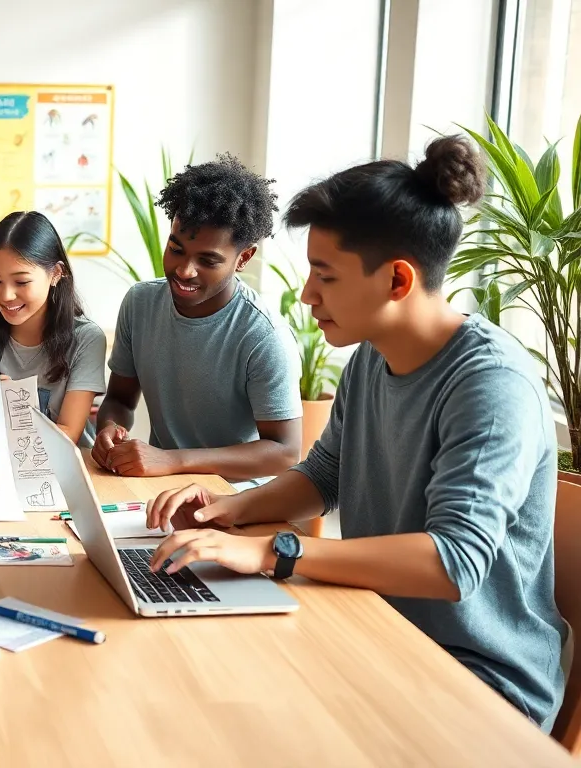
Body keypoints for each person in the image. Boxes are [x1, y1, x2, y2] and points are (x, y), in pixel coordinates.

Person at [144, 136, 567, 730]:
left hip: (478, 682)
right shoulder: (372, 356)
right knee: (186, 686)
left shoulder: (492, 385)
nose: (306, 294)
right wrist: (226, 510)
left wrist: (273, 551)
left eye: (325, 276)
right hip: (375, 628)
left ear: (397, 280)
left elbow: (453, 562)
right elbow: (324, 476)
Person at [91, 154, 302, 483]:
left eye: (208, 260)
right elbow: (119, 400)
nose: (185, 270)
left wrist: (172, 460)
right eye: (176, 249)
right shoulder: (140, 304)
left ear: (243, 258)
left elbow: (285, 453)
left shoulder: (263, 336)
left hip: (235, 497)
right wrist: (109, 429)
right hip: (162, 487)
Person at [0, 211, 106, 445]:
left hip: (65, 464)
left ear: (56, 274)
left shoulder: (86, 338)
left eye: (21, 282)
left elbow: (68, 435)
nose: (6, 295)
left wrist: (12, 406)